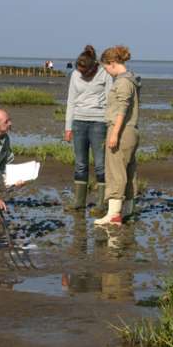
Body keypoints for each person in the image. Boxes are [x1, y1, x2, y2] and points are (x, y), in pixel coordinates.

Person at [64, 45, 113, 214]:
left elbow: (109, 100)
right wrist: (68, 127)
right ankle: (79, 202)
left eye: (85, 71)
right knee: (80, 164)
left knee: (100, 164)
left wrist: (110, 126)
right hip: (78, 122)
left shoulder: (104, 74)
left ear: (93, 67)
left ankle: (102, 203)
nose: (81, 74)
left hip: (99, 123)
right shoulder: (75, 75)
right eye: (79, 70)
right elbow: (71, 101)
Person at [95, 45, 140, 226]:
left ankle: (114, 215)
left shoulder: (122, 82)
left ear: (112, 63)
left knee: (116, 172)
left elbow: (121, 110)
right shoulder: (131, 79)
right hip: (131, 130)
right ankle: (128, 211)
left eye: (105, 68)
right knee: (129, 171)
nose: (106, 72)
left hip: (122, 130)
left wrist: (114, 134)